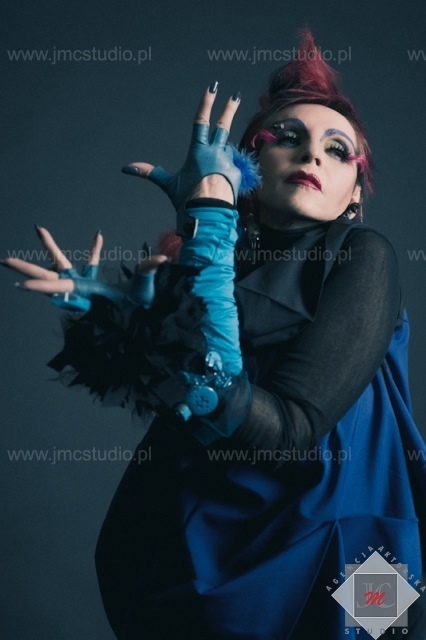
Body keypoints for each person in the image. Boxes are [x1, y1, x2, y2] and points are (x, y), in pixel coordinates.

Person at [4, 30, 426, 640]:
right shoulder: (206, 265)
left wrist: (211, 222)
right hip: (202, 544)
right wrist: (123, 329)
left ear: (355, 193)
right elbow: (186, 400)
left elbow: (289, 430)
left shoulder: (364, 254)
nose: (312, 156)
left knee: (380, 631)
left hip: (353, 547)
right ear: (245, 168)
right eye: (286, 137)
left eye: (338, 151)